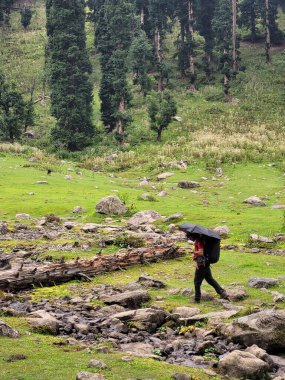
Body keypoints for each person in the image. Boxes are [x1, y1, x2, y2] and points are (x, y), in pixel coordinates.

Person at [188, 233, 229, 303]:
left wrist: (193, 252)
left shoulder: (199, 242)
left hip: (201, 265)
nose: (189, 238)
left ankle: (197, 299)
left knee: (197, 282)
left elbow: (201, 252)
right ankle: (222, 292)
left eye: (189, 236)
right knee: (210, 279)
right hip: (205, 263)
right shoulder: (201, 241)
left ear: (193, 236)